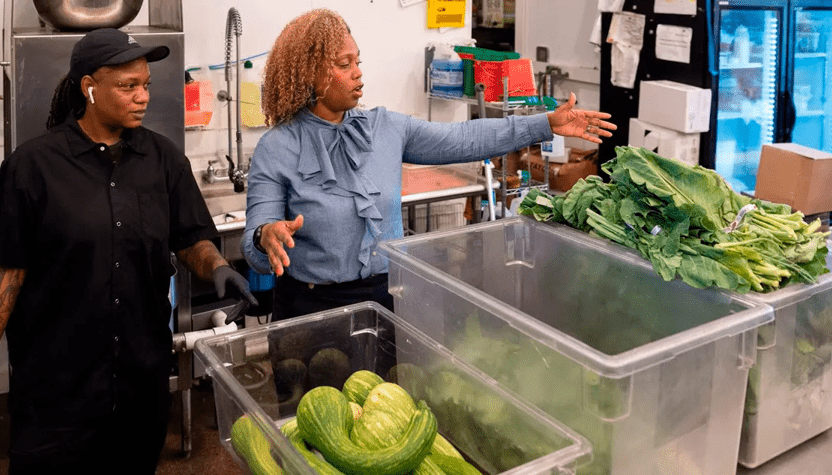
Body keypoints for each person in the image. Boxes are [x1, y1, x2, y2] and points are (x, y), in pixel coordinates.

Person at [0, 28, 257, 474]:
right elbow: (6, 274)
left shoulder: (164, 160)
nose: (143, 97)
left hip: (140, 388)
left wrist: (217, 267)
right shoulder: (32, 167)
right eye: (128, 86)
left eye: (146, 85)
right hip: (56, 396)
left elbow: (190, 237)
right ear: (89, 87)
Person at [243, 9, 616, 321]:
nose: (358, 72)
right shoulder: (276, 148)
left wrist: (543, 123)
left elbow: (466, 138)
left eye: (358, 61)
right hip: (310, 311)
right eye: (345, 64)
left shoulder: (386, 127)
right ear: (311, 73)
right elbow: (255, 241)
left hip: (387, 300)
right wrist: (266, 237)